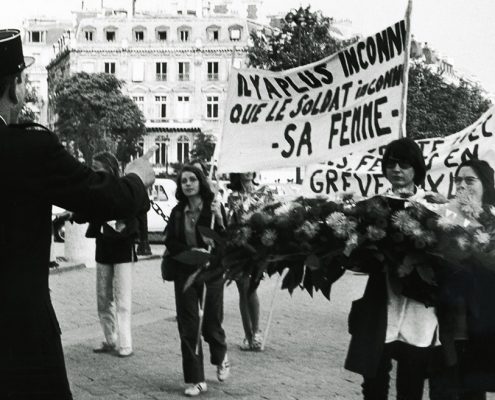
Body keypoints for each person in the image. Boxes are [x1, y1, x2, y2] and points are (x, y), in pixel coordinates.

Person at [0, 29, 155, 399]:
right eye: (22, 82)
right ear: (13, 88)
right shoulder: (28, 148)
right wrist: (136, 179)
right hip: (18, 331)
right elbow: (101, 196)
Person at [344, 138, 443, 400]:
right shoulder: (372, 204)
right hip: (382, 298)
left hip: (418, 305)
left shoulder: (433, 205)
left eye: (404, 164)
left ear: (417, 168)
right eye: (391, 163)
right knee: (374, 376)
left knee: (411, 379)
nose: (396, 169)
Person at [431, 159, 495, 400]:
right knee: (446, 388)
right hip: (449, 320)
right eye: (457, 180)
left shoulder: (493, 218)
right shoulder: (443, 214)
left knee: (474, 391)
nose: (462, 186)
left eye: (470, 180)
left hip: (482, 323)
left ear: (485, 185)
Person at [164, 165, 230, 397]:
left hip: (211, 271)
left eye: (192, 179)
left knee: (212, 323)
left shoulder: (213, 208)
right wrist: (190, 251)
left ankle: (221, 356)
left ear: (201, 182)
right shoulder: (177, 211)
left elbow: (225, 240)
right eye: (184, 181)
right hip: (185, 271)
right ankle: (196, 379)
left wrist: (220, 219)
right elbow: (170, 241)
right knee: (189, 326)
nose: (188, 184)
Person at [84, 151, 139, 358]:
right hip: (104, 248)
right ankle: (110, 338)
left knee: (123, 297)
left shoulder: (123, 188)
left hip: (123, 248)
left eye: (97, 168)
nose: (93, 172)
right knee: (103, 297)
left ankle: (125, 343)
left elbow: (136, 209)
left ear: (110, 169)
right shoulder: (94, 191)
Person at [227, 172, 264, 351]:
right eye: (244, 169)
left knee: (252, 289)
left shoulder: (261, 194)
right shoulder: (233, 197)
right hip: (239, 247)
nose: (248, 172)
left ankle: (256, 332)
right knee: (243, 289)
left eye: (250, 169)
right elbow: (235, 220)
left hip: (256, 248)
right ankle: (248, 335)